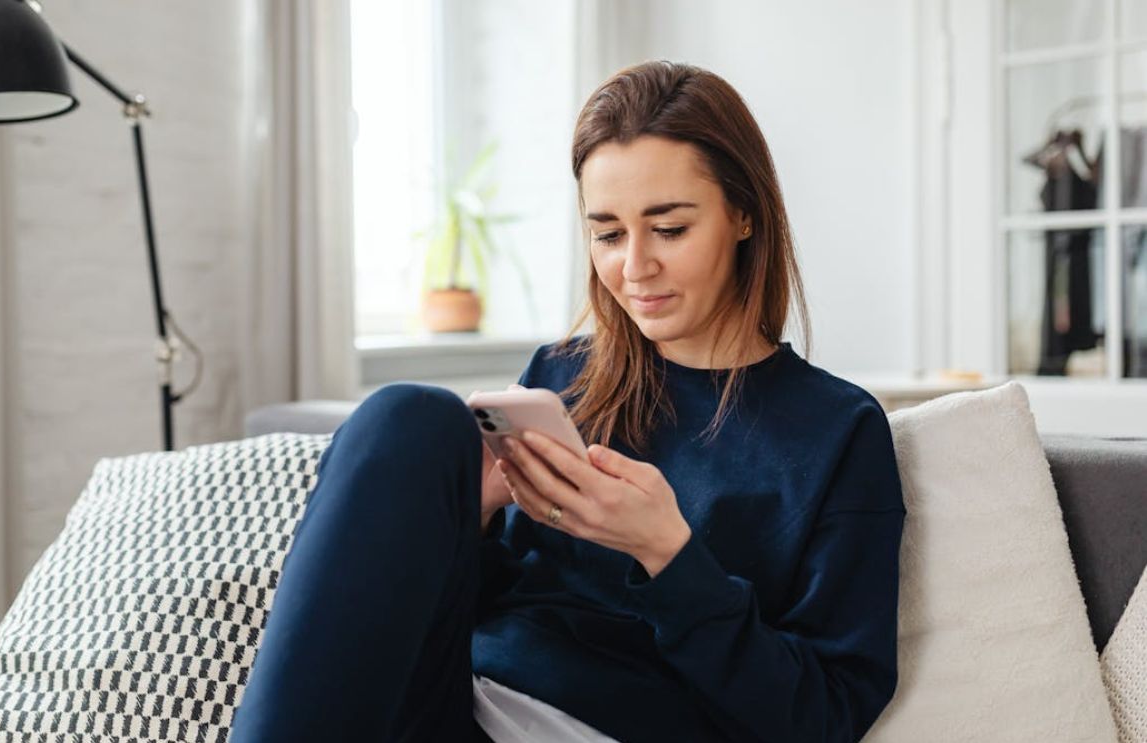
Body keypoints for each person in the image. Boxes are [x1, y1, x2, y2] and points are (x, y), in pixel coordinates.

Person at [228, 59, 906, 743]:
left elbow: (823, 715)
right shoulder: (559, 376)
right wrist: (477, 515)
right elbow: (481, 603)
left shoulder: (836, 431)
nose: (634, 267)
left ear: (742, 215)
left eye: (668, 228)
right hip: (455, 702)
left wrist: (666, 553)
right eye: (607, 233)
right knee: (408, 417)